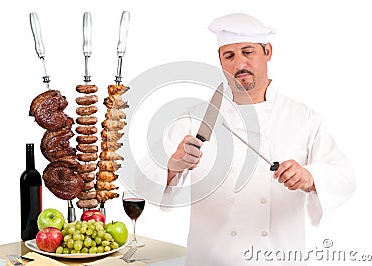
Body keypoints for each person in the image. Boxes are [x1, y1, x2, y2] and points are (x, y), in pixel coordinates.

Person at [138, 13, 356, 265]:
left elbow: (345, 176)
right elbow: (141, 183)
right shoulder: (196, 118)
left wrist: (310, 178)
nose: (239, 64)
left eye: (248, 52)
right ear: (220, 62)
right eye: (229, 56)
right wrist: (173, 163)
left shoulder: (303, 117)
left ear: (268, 52)